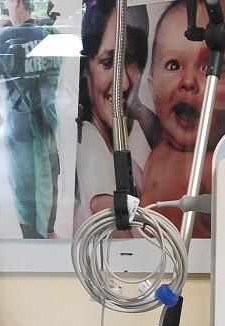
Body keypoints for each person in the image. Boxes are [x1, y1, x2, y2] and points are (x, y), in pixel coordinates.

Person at [139, 0, 225, 238]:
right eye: (173, 65)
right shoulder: (153, 148)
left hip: (193, 258)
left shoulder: (214, 165)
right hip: (153, 254)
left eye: (208, 67)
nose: (188, 82)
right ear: (152, 88)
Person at [0, 0, 61, 240]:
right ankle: (49, 229)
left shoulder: (7, 37)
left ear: (16, 4)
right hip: (48, 120)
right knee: (50, 175)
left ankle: (31, 237)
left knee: (24, 182)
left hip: (21, 124)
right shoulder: (51, 33)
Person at [73, 0, 157, 229]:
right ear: (84, 68)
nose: (126, 82)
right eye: (108, 62)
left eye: (132, 60)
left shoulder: (133, 132)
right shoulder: (90, 147)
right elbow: (129, 243)